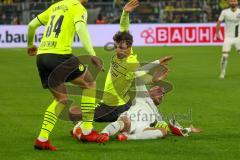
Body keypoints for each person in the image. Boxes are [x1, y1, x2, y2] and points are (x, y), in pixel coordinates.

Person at [27, 0, 104, 151]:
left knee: (61, 99)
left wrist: (30, 45)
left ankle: (42, 139)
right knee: (90, 83)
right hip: (59, 56)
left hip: (42, 57)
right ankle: (87, 131)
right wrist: (92, 54)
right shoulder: (77, 7)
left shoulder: (55, 6)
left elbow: (31, 25)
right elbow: (81, 28)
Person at [216, 0, 240, 79]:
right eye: (231, 1)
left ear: (237, 2)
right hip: (228, 38)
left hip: (238, 38)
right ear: (229, 3)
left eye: (234, 1)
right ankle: (222, 72)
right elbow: (219, 22)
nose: (233, 3)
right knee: (225, 56)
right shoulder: (224, 12)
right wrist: (217, 33)